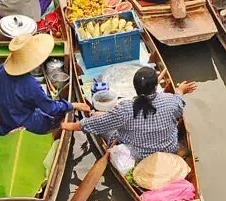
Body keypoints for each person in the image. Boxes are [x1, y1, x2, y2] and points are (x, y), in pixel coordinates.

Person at [62, 66, 196, 162]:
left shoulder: (125, 109)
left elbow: (93, 125)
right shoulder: (170, 100)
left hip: (139, 155)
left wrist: (66, 125)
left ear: (135, 88)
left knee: (100, 122)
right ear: (156, 87)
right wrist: (180, 90)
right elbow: (179, 101)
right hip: (169, 148)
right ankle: (100, 115)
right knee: (104, 118)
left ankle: (96, 114)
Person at [0, 33, 87, 135]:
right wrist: (73, 105)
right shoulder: (29, 84)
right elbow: (51, 108)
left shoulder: (1, 69)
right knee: (53, 117)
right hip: (16, 123)